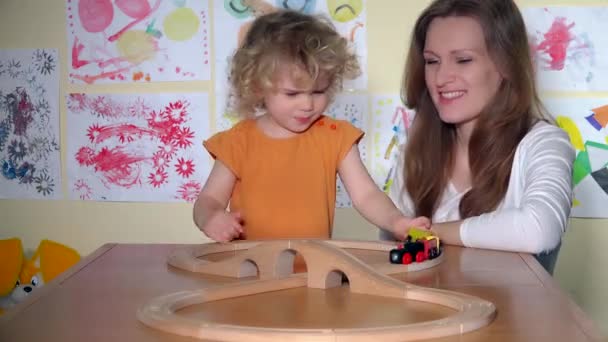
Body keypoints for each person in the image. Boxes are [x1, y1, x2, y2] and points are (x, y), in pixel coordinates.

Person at [194, 10, 430, 244]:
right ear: (258, 86)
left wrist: (396, 221)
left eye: (318, 91)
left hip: (313, 272)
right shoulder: (237, 142)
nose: (307, 104)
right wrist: (211, 218)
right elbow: (208, 200)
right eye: (292, 93)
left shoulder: (336, 137)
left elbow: (366, 195)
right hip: (250, 271)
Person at [384, 0, 575, 274]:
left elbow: (538, 230)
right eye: (432, 61)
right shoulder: (411, 154)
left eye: (463, 60)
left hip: (517, 318)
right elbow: (390, 260)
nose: (441, 78)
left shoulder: (544, 144)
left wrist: (426, 232)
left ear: (506, 64)